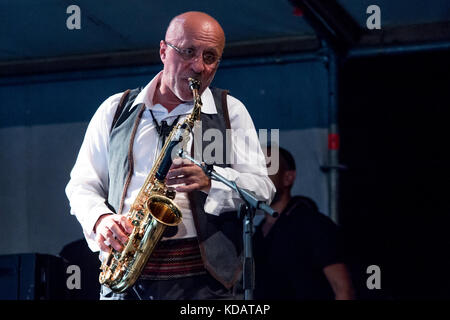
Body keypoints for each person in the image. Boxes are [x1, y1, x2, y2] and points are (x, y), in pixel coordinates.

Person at [65, 11, 275, 300]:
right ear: (163, 51)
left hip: (206, 283)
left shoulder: (230, 111)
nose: (199, 66)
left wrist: (211, 181)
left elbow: (263, 189)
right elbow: (81, 184)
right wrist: (100, 219)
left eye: (210, 57)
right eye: (188, 52)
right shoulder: (115, 110)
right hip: (127, 271)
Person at [254, 146, 355, 300]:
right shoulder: (256, 232)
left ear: (288, 177)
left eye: (266, 166)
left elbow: (343, 290)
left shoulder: (313, 224)